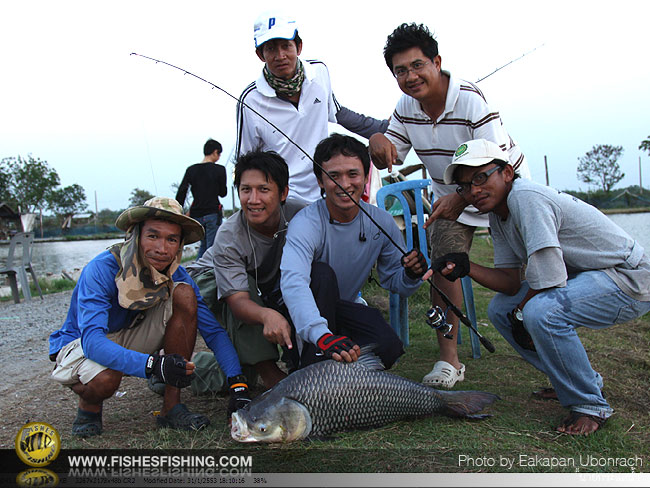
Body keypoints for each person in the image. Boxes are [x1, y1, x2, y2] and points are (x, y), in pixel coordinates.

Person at [431, 138, 650, 435]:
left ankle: (589, 405)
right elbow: (510, 283)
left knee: (540, 312)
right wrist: (466, 266)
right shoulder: (499, 213)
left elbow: (548, 278)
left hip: (629, 278)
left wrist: (522, 315)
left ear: (507, 173)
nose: (474, 191)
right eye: (465, 186)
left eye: (481, 177)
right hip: (588, 276)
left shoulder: (526, 197)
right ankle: (571, 381)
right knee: (500, 309)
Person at [368, 23, 530, 388]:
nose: (410, 77)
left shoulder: (470, 99)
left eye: (418, 65)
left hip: (504, 190)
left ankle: (544, 345)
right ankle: (449, 361)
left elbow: (496, 164)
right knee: (444, 265)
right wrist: (377, 141)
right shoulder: (406, 108)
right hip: (452, 198)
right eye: (400, 71)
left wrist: (461, 195)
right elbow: (390, 153)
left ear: (437, 62)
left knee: (536, 272)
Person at [48, 197, 251, 437]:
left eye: (172, 240)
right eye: (153, 236)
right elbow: (92, 341)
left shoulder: (180, 275)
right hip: (82, 342)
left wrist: (238, 385)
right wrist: (154, 366)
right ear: (136, 236)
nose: (162, 248)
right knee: (105, 379)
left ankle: (171, 406)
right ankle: (89, 407)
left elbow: (214, 333)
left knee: (184, 295)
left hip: (131, 333)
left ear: (180, 245)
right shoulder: (102, 268)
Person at [280, 134, 428, 369]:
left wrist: (412, 273)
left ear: (366, 177)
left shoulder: (382, 221)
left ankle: (344, 369)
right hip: (304, 311)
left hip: (345, 307)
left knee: (389, 348)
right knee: (321, 274)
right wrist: (321, 335)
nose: (344, 184)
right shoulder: (305, 222)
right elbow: (293, 282)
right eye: (333, 176)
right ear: (320, 180)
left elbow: (396, 282)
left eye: (353, 174)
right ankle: (307, 362)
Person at [236, 9, 388, 204]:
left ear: (298, 47)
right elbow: (246, 161)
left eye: (286, 46)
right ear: (260, 54)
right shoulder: (249, 100)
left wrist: (385, 128)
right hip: (283, 199)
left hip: (325, 191)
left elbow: (338, 113)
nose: (280, 55)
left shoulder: (319, 72)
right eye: (271, 49)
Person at [186, 150, 305, 390]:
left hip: (262, 289)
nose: (253, 199)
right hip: (208, 285)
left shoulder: (302, 215)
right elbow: (238, 300)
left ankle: (184, 371)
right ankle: (271, 374)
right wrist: (267, 315)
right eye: (245, 190)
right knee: (246, 286)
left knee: (242, 374)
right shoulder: (229, 235)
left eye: (263, 189)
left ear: (283, 193)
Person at [175, 139, 227, 259]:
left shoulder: (191, 170)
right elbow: (223, 193)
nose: (219, 157)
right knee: (212, 247)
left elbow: (182, 192)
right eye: (219, 154)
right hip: (212, 213)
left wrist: (178, 211)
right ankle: (208, 274)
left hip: (196, 214)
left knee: (203, 246)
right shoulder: (220, 169)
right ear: (215, 152)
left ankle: (198, 271)